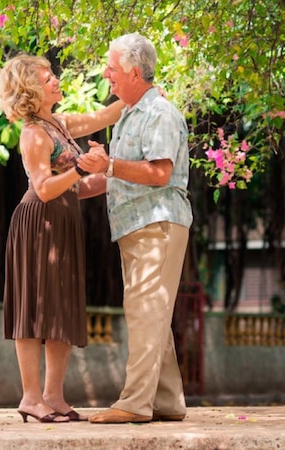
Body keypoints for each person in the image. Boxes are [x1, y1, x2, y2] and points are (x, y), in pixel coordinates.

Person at [0, 54, 123, 424]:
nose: (54, 80)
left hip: (65, 222)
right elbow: (46, 188)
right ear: (30, 89)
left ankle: (53, 395)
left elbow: (103, 118)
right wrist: (83, 167)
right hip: (39, 222)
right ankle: (31, 398)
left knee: (62, 308)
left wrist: (141, 95)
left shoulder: (61, 124)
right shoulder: (34, 132)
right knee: (34, 309)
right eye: (46, 77)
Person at [76, 33, 193, 424]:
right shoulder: (129, 114)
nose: (106, 74)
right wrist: (64, 190)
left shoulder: (158, 113)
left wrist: (107, 165)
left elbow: (159, 173)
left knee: (145, 312)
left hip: (156, 222)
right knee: (151, 313)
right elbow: (118, 177)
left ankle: (134, 403)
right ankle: (167, 401)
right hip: (136, 225)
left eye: (112, 67)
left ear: (133, 70)